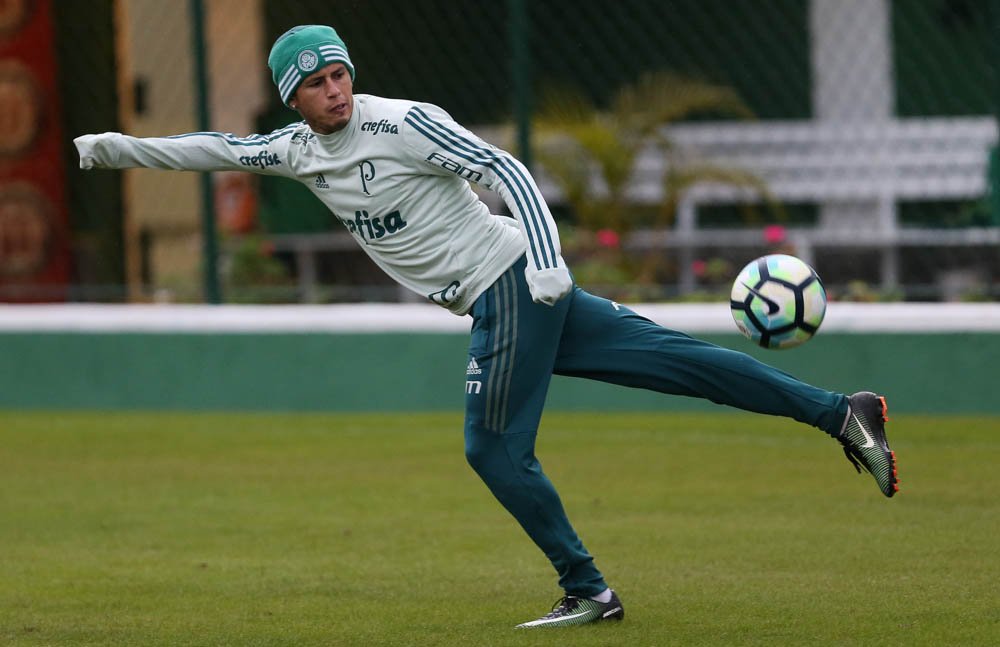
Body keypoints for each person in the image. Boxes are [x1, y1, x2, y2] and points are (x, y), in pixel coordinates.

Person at [74, 25, 899, 629]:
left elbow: (505, 168)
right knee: (683, 364)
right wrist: (113, 149)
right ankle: (839, 410)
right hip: (509, 294)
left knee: (492, 445)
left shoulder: (402, 122)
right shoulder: (294, 150)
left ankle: (589, 590)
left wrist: (545, 261)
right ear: (293, 95)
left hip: (510, 284)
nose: (334, 87)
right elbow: (213, 147)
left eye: (339, 73)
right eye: (315, 81)